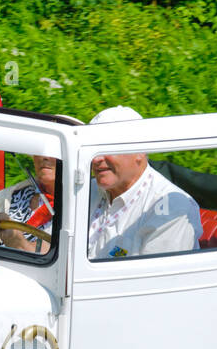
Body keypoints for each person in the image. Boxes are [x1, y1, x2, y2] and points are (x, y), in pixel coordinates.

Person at [86, 106, 201, 259]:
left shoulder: (171, 209)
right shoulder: (86, 191)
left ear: (140, 150)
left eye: (106, 147)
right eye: (91, 147)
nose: (96, 159)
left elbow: (156, 279)